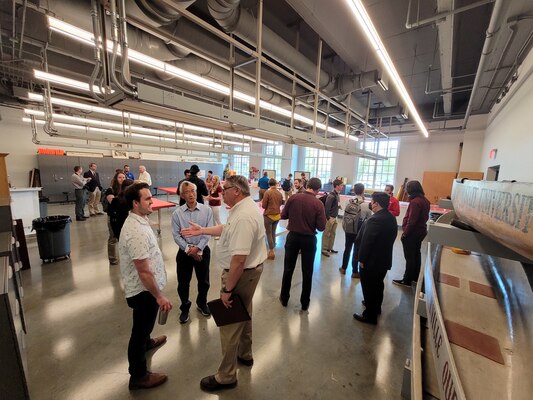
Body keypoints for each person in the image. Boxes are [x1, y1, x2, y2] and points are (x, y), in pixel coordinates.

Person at [181, 175, 266, 392]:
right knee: (244, 314)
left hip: (240, 275)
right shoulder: (242, 209)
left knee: (230, 324)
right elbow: (226, 228)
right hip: (249, 273)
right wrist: (202, 231)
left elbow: (239, 260)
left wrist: (228, 290)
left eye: (224, 188)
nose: (220, 191)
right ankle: (245, 354)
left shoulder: (244, 216)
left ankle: (227, 376)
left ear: (236, 190)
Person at [118, 182, 173, 390]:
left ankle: (148, 341)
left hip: (146, 288)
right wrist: (159, 296)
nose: (152, 201)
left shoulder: (140, 219)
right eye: (147, 199)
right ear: (135, 203)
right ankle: (139, 375)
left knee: (144, 326)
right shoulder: (135, 231)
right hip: (143, 291)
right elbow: (143, 270)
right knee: (138, 331)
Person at [279, 177, 326, 311]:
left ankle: (284, 298)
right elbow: (321, 227)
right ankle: (305, 302)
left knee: (288, 268)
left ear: (307, 185)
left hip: (293, 237)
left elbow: (283, 215)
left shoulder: (294, 198)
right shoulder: (318, 204)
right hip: (309, 240)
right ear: (318, 189)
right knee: (307, 271)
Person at [171, 181, 213, 324]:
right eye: (187, 192)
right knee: (183, 283)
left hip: (202, 250)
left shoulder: (207, 210)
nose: (191, 194)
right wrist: (190, 250)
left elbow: (208, 232)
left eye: (193, 191)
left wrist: (198, 248)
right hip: (184, 253)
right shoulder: (177, 214)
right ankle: (185, 307)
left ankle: (202, 303)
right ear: (182, 195)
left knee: (204, 281)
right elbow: (176, 236)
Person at [353, 192, 398, 325]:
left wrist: (361, 259)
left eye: (372, 202)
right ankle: (376, 307)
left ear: (376, 204)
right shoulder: (390, 217)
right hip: (383, 259)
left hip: (372, 261)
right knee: (378, 284)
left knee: (369, 287)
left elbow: (367, 242)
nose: (370, 204)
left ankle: (369, 315)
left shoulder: (375, 220)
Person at [393, 180, 430, 287]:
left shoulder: (415, 202)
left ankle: (407, 280)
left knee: (410, 257)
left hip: (412, 233)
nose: (405, 190)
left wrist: (405, 233)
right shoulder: (425, 200)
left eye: (407, 188)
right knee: (416, 255)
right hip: (421, 231)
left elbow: (412, 221)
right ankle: (415, 277)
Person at [340, 183, 368, 278]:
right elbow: (369, 217)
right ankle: (355, 272)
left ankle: (343, 268)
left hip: (349, 228)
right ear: (363, 191)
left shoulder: (349, 201)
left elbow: (345, 214)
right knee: (357, 250)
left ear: (354, 191)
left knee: (347, 248)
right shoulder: (366, 205)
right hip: (359, 230)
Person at [104, 171, 126, 265]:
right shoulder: (110, 190)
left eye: (123, 177)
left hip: (124, 216)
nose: (122, 179)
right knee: (113, 238)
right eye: (120, 177)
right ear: (116, 179)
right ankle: (112, 259)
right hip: (114, 217)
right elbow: (113, 203)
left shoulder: (126, 190)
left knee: (124, 238)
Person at [321, 179, 344, 257]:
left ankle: (330, 248)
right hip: (330, 218)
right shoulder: (331, 196)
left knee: (333, 233)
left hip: (335, 217)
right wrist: (328, 218)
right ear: (337, 186)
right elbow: (327, 208)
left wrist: (338, 206)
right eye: (341, 185)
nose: (342, 187)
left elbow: (335, 204)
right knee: (326, 233)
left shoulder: (337, 195)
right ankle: (324, 249)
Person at [262, 178, 283, 260]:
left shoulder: (267, 192)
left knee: (268, 233)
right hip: (277, 215)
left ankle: (271, 250)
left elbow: (264, 206)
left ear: (269, 184)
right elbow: (281, 203)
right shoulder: (279, 193)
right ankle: (273, 244)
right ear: (276, 184)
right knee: (273, 232)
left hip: (268, 215)